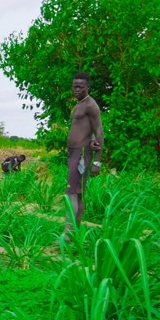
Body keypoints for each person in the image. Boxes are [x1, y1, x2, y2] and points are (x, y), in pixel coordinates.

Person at [64, 72, 104, 240]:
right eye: (74, 86)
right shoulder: (79, 104)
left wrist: (97, 161)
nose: (77, 89)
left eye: (80, 87)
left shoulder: (91, 105)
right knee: (77, 193)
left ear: (88, 87)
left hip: (81, 153)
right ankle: (74, 233)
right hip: (74, 153)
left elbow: (99, 131)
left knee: (71, 193)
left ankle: (68, 235)